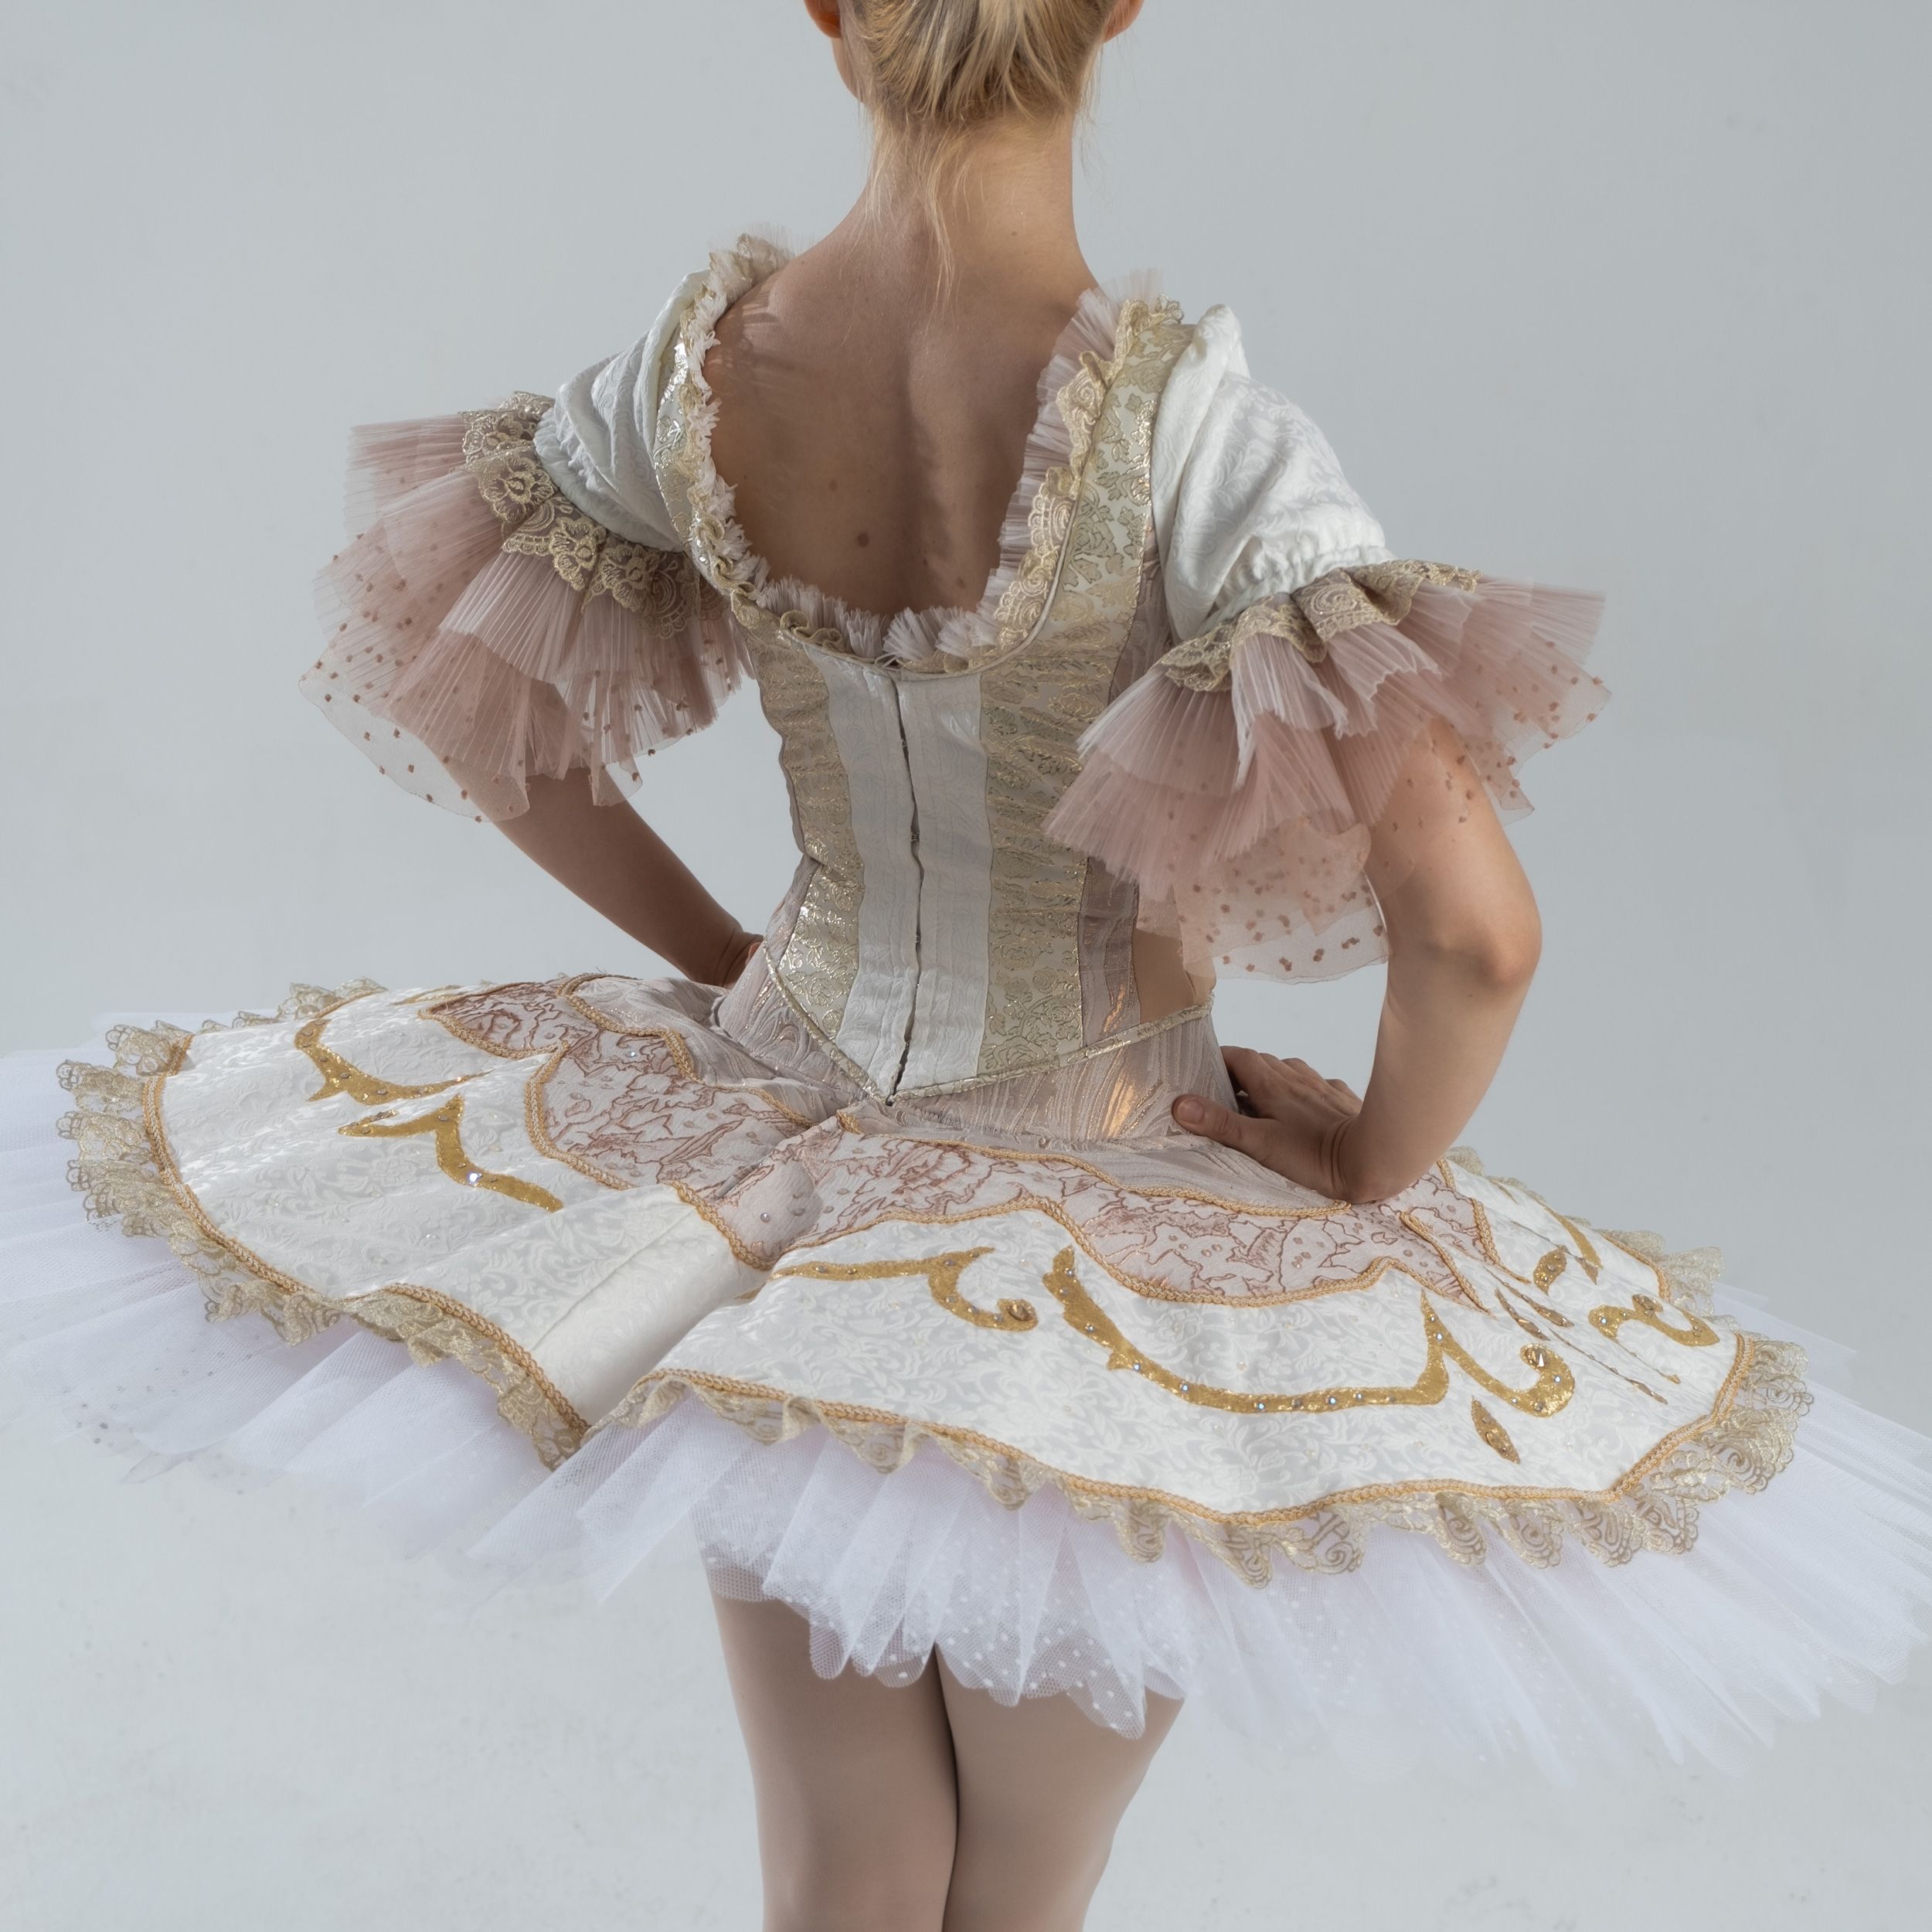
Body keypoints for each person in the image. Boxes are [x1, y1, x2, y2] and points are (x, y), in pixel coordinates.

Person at [4, 3, 1928, 1928]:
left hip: (774, 1183)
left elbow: (475, 703)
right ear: (1117, 9)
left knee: (843, 1864)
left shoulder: (698, 377)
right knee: (1022, 1881)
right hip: (1114, 1200)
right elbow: (1475, 933)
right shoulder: (1196, 435)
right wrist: (1366, 1162)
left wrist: (726, 959)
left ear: (829, 13)